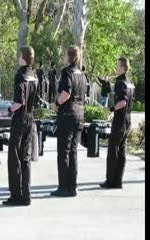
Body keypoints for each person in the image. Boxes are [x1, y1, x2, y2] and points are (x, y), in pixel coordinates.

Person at [2, 46, 39, 206]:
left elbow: (19, 102)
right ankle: (26, 194)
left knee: (14, 156)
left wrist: (8, 110)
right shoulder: (34, 76)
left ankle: (16, 195)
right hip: (31, 118)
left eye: (19, 56)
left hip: (20, 118)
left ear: (23, 58)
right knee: (26, 156)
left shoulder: (20, 76)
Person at [51, 46, 87, 197]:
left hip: (67, 114)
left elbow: (66, 93)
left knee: (63, 151)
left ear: (70, 57)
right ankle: (73, 186)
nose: (63, 57)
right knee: (73, 152)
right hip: (79, 113)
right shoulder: (82, 74)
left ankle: (63, 187)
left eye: (65, 55)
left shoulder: (67, 72)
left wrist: (56, 104)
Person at [100, 57, 135, 189]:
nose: (115, 68)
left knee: (113, 149)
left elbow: (122, 102)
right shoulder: (130, 83)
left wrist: (112, 108)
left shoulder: (121, 83)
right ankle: (118, 181)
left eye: (117, 66)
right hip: (128, 119)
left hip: (120, 119)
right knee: (122, 150)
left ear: (122, 68)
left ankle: (110, 181)